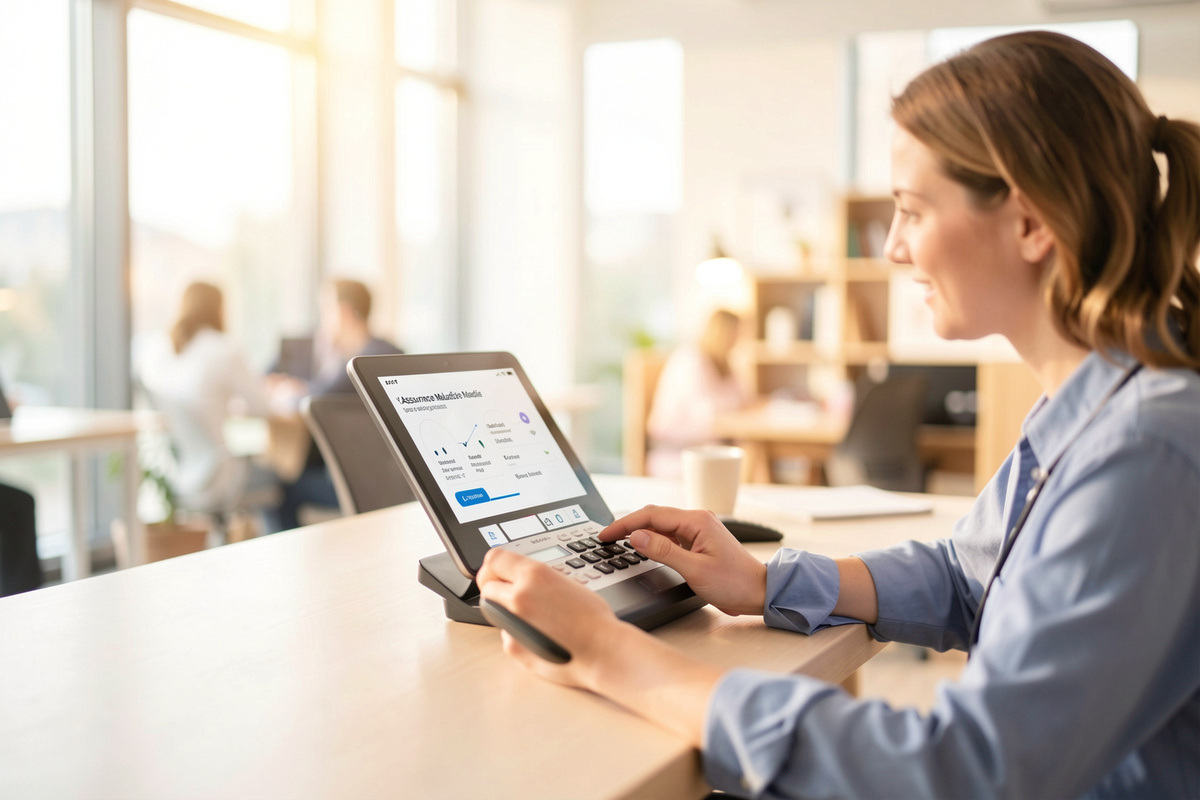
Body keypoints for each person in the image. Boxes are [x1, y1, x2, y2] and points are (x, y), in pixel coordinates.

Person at [476, 32, 1200, 799]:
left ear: (1029, 223)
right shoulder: (1091, 409)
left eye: (912, 211)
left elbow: (965, 772)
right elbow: (968, 577)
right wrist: (763, 581)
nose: (892, 248)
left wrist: (607, 653)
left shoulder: (1147, 452)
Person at [266, 279, 402, 530]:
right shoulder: (384, 350)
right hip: (387, 480)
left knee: (275, 489)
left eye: (326, 310)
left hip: (371, 485)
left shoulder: (366, 359)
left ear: (344, 312)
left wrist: (287, 390)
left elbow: (315, 399)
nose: (323, 321)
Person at [136, 282, 276, 517]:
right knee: (284, 478)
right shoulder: (224, 349)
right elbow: (263, 408)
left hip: (173, 472)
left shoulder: (157, 347)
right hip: (217, 474)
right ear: (219, 309)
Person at [645, 309, 748, 477]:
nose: (738, 341)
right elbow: (710, 415)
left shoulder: (723, 363)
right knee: (749, 454)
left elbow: (743, 398)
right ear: (722, 333)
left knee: (752, 452)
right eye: (736, 334)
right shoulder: (691, 360)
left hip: (708, 451)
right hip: (677, 455)